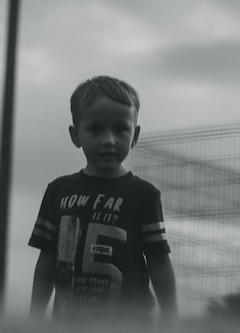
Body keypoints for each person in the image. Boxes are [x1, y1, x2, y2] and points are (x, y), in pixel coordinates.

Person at [28, 75, 177, 326]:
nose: (109, 140)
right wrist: (33, 318)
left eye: (120, 129)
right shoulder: (58, 191)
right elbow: (47, 261)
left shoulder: (144, 194)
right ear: (76, 135)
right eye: (96, 129)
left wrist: (172, 320)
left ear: (135, 135)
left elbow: (159, 262)